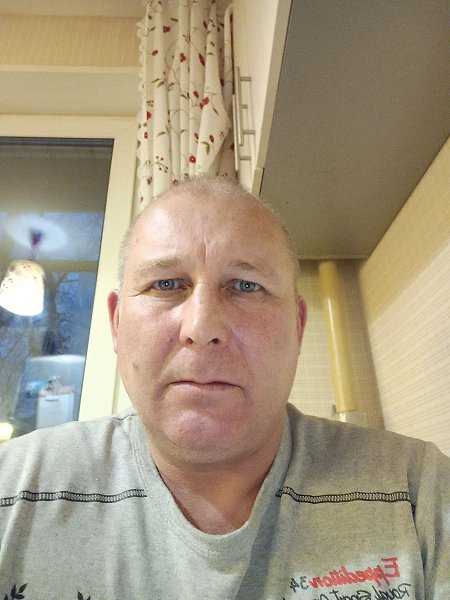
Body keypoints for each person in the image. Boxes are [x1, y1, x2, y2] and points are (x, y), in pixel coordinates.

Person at [0, 176, 448, 599]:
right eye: (165, 284)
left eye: (246, 286)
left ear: (297, 327)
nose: (201, 327)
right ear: (117, 323)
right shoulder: (12, 490)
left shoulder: (418, 495)